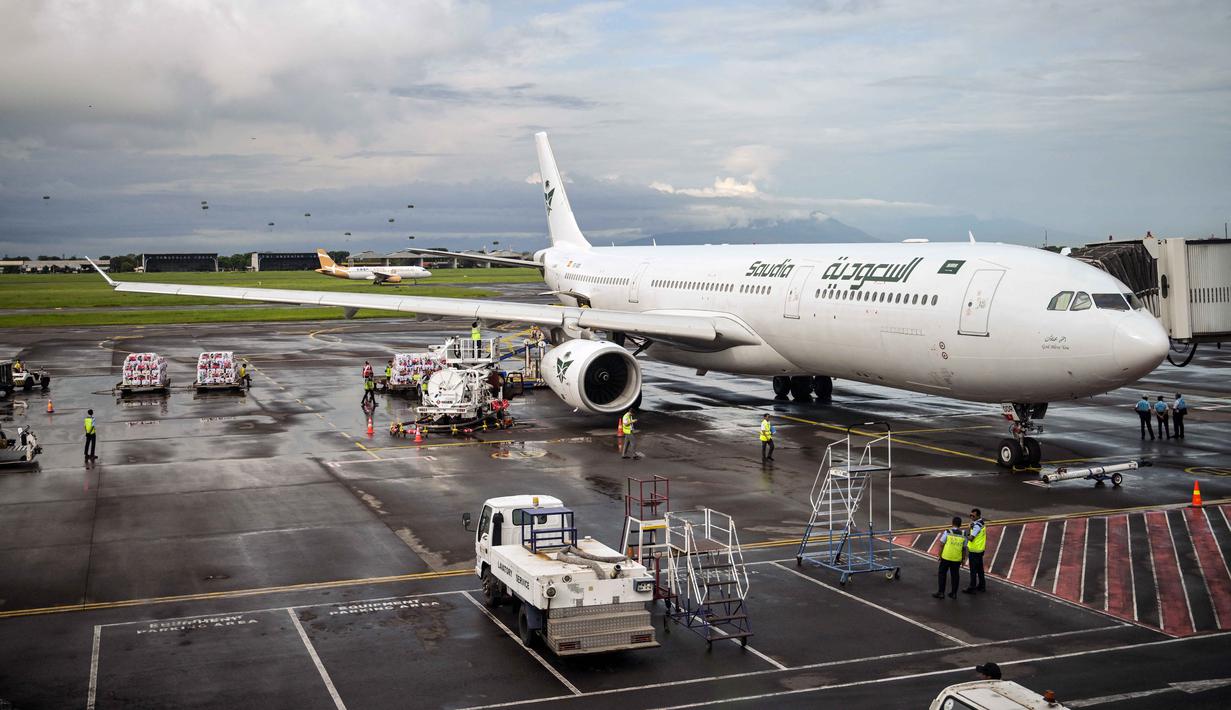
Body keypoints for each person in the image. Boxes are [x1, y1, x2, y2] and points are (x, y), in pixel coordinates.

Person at [934, 516, 966, 599]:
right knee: (955, 576)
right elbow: (964, 548)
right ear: (960, 525)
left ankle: (941, 593)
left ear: (952, 523)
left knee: (942, 574)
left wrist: (939, 555)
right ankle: (954, 593)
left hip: (946, 557)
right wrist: (963, 559)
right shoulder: (963, 534)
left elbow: (941, 544)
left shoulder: (948, 532)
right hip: (957, 559)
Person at [963, 508, 987, 594]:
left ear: (978, 515)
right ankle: (982, 586)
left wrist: (967, 532)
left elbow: (971, 538)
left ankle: (971, 587)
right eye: (970, 515)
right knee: (980, 569)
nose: (971, 517)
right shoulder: (981, 523)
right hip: (980, 550)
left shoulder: (976, 526)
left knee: (973, 570)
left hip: (975, 551)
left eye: (973, 515)